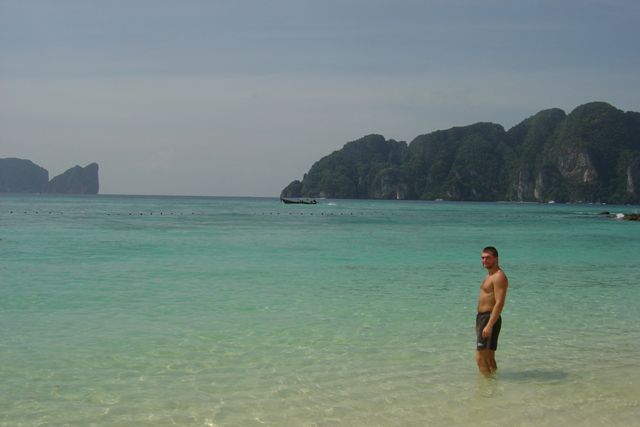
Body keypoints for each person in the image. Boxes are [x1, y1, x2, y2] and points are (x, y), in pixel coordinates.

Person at [475, 246, 508, 376]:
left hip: (488, 318)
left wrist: (489, 325)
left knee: (480, 358)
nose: (484, 260)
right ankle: (493, 383)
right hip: (484, 318)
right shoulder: (490, 275)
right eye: (482, 258)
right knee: (488, 357)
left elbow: (500, 303)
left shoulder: (498, 277)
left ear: (496, 258)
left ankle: (485, 385)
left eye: (488, 258)